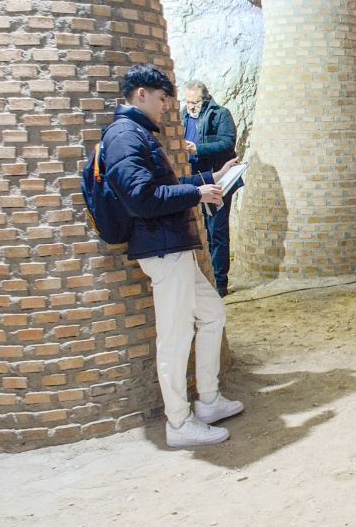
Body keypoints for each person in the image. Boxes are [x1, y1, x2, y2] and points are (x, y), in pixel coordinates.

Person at [104, 65, 246, 448]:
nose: (168, 107)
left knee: (213, 314)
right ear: (141, 95)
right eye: (164, 98)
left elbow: (162, 187)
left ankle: (209, 401)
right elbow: (142, 198)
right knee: (175, 335)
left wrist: (209, 179)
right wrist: (196, 195)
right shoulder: (123, 136)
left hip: (173, 245)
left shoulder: (137, 134)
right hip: (161, 248)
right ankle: (179, 424)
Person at [182, 80, 238, 298]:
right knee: (202, 228)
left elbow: (227, 143)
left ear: (205, 100)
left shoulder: (220, 115)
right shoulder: (183, 116)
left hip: (218, 180)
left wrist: (198, 149)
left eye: (194, 103)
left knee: (218, 230)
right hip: (196, 179)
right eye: (187, 102)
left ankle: (220, 282)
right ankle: (206, 278)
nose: (191, 107)